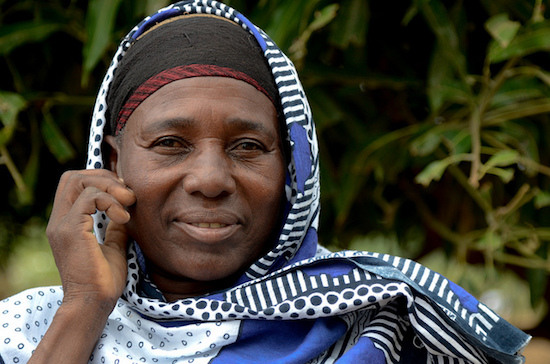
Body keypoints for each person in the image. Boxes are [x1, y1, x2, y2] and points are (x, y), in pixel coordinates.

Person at [0, 1, 531, 363]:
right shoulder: (28, 329)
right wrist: (85, 307)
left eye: (248, 147)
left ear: (293, 173)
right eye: (170, 144)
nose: (210, 180)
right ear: (111, 166)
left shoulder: (384, 328)